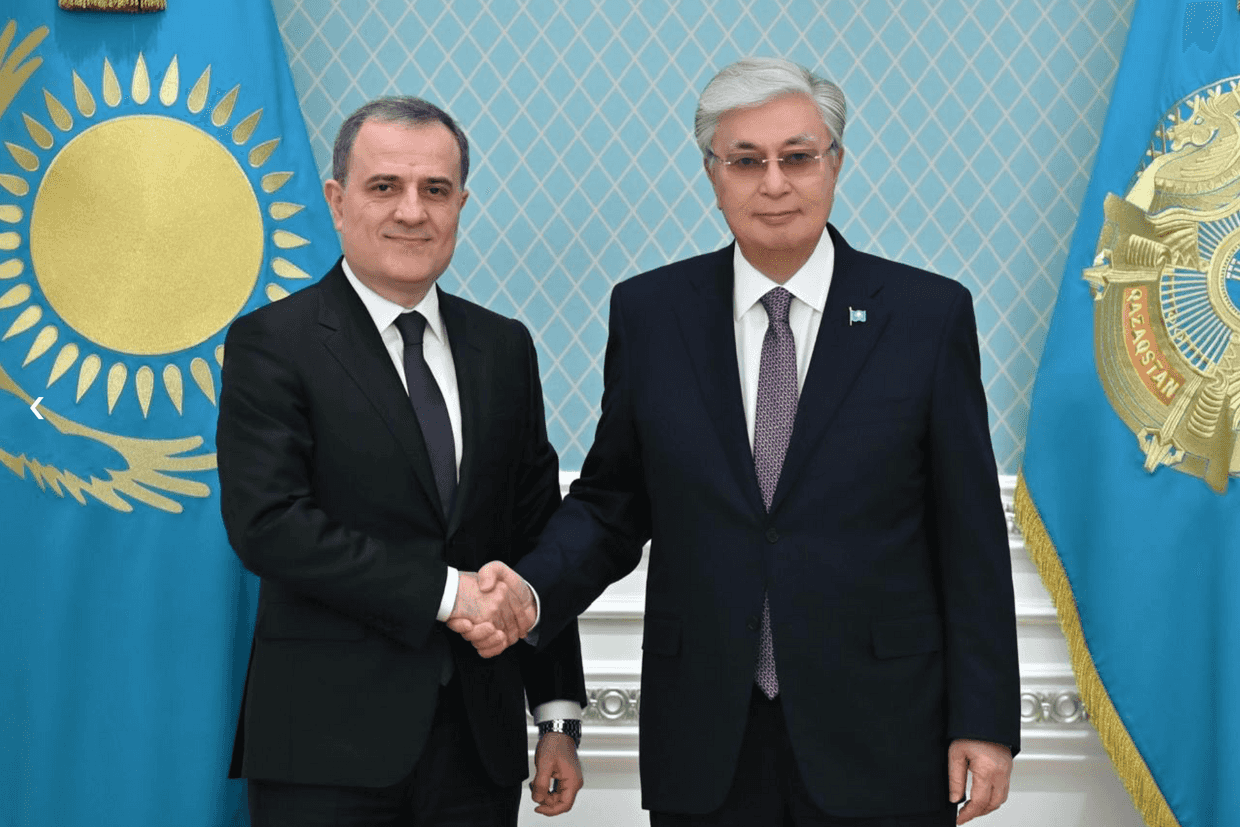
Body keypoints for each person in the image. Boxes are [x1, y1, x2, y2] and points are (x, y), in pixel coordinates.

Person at [454, 58, 1020, 826]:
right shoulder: (652, 313)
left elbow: (971, 539)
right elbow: (615, 501)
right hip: (707, 734)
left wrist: (984, 720)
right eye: (746, 161)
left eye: (797, 156)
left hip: (884, 730)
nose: (774, 183)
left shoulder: (926, 316)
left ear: (836, 164)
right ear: (713, 175)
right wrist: (527, 589)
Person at [216, 96, 586, 827]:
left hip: (476, 750)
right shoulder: (272, 343)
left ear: (460, 205)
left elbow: (536, 537)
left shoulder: (503, 349)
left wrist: (556, 714)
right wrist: (448, 593)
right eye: (384, 186)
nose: (412, 212)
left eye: (435, 190)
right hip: (323, 747)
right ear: (338, 200)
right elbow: (269, 524)